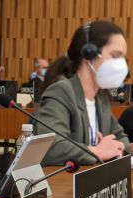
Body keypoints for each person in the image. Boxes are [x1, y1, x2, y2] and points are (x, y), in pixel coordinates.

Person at [36, 20, 130, 166]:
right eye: (115, 55)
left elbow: (121, 137)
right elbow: (52, 148)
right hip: (62, 185)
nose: (122, 64)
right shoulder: (61, 92)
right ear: (89, 53)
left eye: (123, 57)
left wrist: (117, 147)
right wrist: (98, 151)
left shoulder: (100, 97)